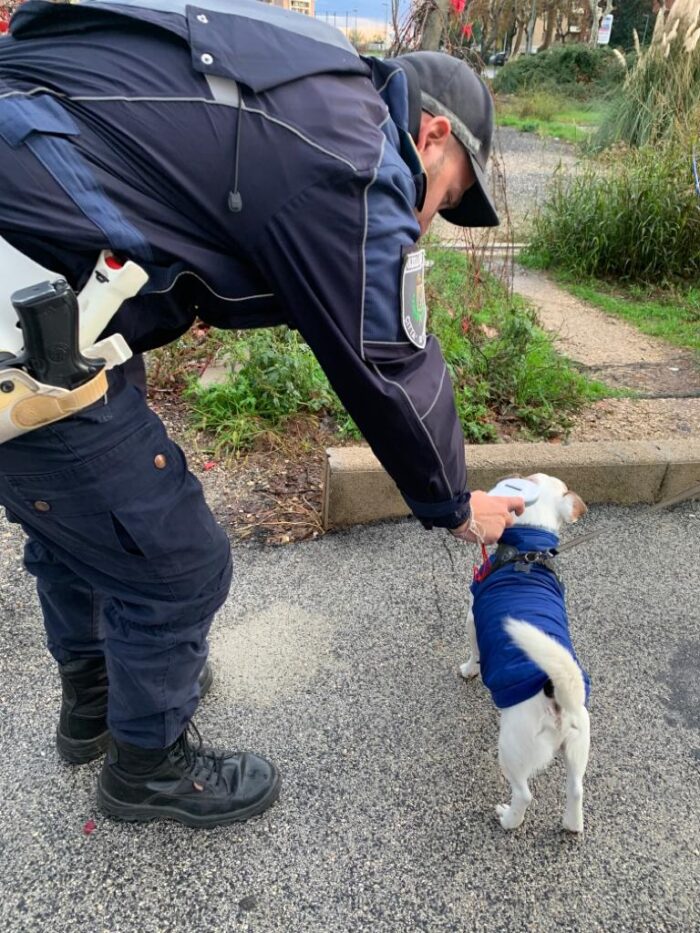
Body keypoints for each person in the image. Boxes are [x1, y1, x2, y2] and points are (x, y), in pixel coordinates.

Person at [0, 0, 524, 828]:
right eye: (449, 196)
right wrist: (455, 502)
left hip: (45, 276)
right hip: (20, 304)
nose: (432, 221)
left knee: (85, 516)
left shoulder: (306, 89)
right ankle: (147, 765)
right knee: (177, 558)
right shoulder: (354, 149)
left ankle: (99, 703)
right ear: (431, 135)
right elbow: (387, 351)